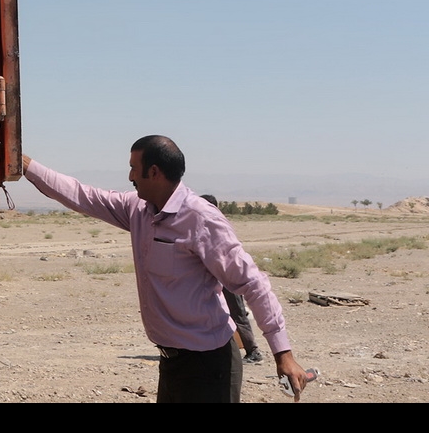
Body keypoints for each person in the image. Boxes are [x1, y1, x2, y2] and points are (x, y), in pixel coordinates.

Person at [23, 135, 309, 403]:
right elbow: (80, 194)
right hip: (173, 363)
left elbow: (252, 283)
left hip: (209, 365)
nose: (130, 176)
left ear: (155, 172)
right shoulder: (137, 210)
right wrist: (24, 165)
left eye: (135, 168)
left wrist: (282, 353)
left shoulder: (200, 218)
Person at [200, 194, 265, 366]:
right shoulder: (212, 224)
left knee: (238, 313)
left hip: (228, 277)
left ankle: (253, 351)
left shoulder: (216, 226)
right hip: (220, 277)